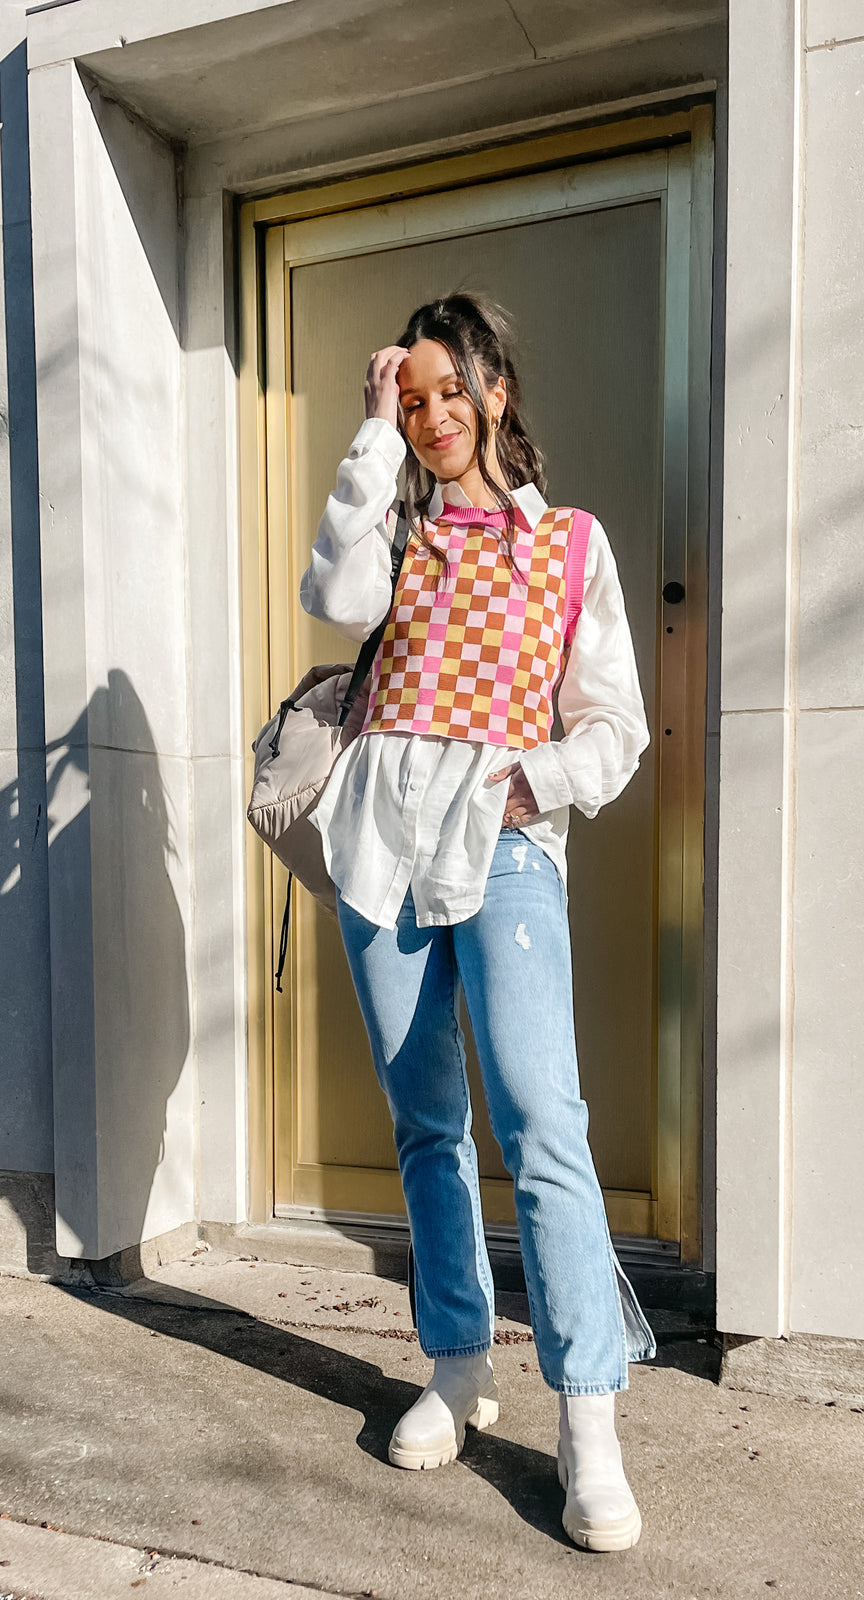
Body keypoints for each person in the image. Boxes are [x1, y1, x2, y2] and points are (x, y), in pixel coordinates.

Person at [299, 293, 656, 1553]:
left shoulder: (569, 544)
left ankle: (589, 1412)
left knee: (543, 1122)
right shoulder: (391, 524)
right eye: (414, 398)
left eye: (452, 392)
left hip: (500, 848)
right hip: (379, 854)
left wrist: (538, 780)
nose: (434, 416)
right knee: (423, 1123)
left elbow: (615, 721)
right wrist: (367, 442)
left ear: (497, 391)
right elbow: (332, 599)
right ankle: (456, 1362)